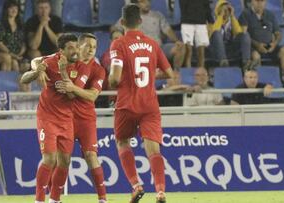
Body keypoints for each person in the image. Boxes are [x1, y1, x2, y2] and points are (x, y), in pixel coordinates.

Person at [109, 4, 174, 203]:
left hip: (127, 104)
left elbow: (114, 79)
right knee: (153, 149)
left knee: (122, 143)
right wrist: (151, 76)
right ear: (140, 21)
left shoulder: (118, 44)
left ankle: (136, 185)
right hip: (149, 105)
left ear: (122, 23)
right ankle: (161, 192)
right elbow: (170, 74)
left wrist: (116, 77)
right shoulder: (153, 44)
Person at [20, 33, 88, 203]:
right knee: (49, 159)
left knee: (65, 161)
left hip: (66, 119)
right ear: (61, 51)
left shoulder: (82, 67)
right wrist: (37, 70)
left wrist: (63, 71)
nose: (75, 51)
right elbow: (26, 75)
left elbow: (73, 96)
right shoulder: (51, 60)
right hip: (47, 117)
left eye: (76, 47)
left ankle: (55, 199)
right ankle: (39, 200)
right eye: (71, 48)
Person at [52, 33, 108, 203]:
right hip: (65, 118)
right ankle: (54, 199)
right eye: (88, 45)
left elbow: (92, 96)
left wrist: (72, 88)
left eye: (94, 47)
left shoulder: (99, 70)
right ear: (79, 47)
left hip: (86, 119)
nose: (91, 50)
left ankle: (102, 199)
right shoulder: (67, 64)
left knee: (91, 155)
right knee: (63, 159)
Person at [112, 0, 186, 69]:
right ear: (137, 4)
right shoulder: (130, 16)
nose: (147, 4)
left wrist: (176, 41)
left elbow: (168, 30)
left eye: (148, 1)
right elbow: (114, 28)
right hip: (140, 49)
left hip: (159, 48)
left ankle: (175, 75)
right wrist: (116, 33)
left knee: (180, 48)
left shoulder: (158, 15)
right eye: (143, 2)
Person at [239, 0, 284, 80]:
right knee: (256, 56)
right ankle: (259, 81)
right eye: (257, 1)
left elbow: (278, 33)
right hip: (253, 48)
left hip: (270, 47)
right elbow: (243, 36)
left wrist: (274, 44)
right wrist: (257, 45)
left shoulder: (270, 15)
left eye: (262, 1)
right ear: (252, 1)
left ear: (265, 2)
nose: (259, 4)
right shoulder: (245, 14)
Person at [207, 0, 252, 68]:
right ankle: (223, 61)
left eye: (228, 9)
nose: (226, 11)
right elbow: (213, 33)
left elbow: (238, 33)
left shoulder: (231, 21)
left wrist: (232, 16)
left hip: (229, 47)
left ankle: (246, 62)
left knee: (245, 35)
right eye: (223, 9)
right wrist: (220, 16)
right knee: (217, 33)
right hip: (214, 49)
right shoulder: (211, 21)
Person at [0, 0, 26, 71]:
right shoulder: (0, 24)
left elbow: (24, 42)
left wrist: (20, 53)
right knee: (8, 58)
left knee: (15, 63)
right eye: (11, 8)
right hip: (2, 53)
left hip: (18, 55)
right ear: (6, 10)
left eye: (16, 8)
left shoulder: (21, 24)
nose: (14, 10)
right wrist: (12, 54)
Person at [180, 0, 213, 67]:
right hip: (187, 23)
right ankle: (188, 73)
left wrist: (210, 22)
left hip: (201, 23)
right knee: (188, 51)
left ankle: (201, 72)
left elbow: (207, 7)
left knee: (201, 52)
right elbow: (183, 7)